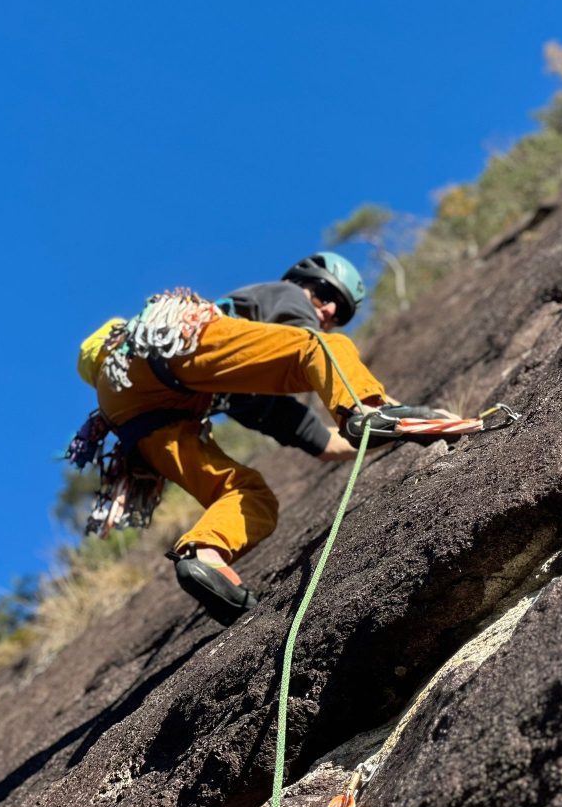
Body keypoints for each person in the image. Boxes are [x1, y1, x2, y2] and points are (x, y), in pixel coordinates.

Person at [77, 252, 458, 626]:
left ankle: (204, 555)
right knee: (326, 347)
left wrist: (407, 430)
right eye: (324, 296)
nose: (327, 312)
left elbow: (329, 445)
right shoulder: (281, 295)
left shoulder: (241, 381)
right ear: (298, 282)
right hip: (168, 345)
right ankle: (366, 407)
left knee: (250, 495)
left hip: (135, 411)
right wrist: (418, 415)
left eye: (338, 315)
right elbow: (313, 348)